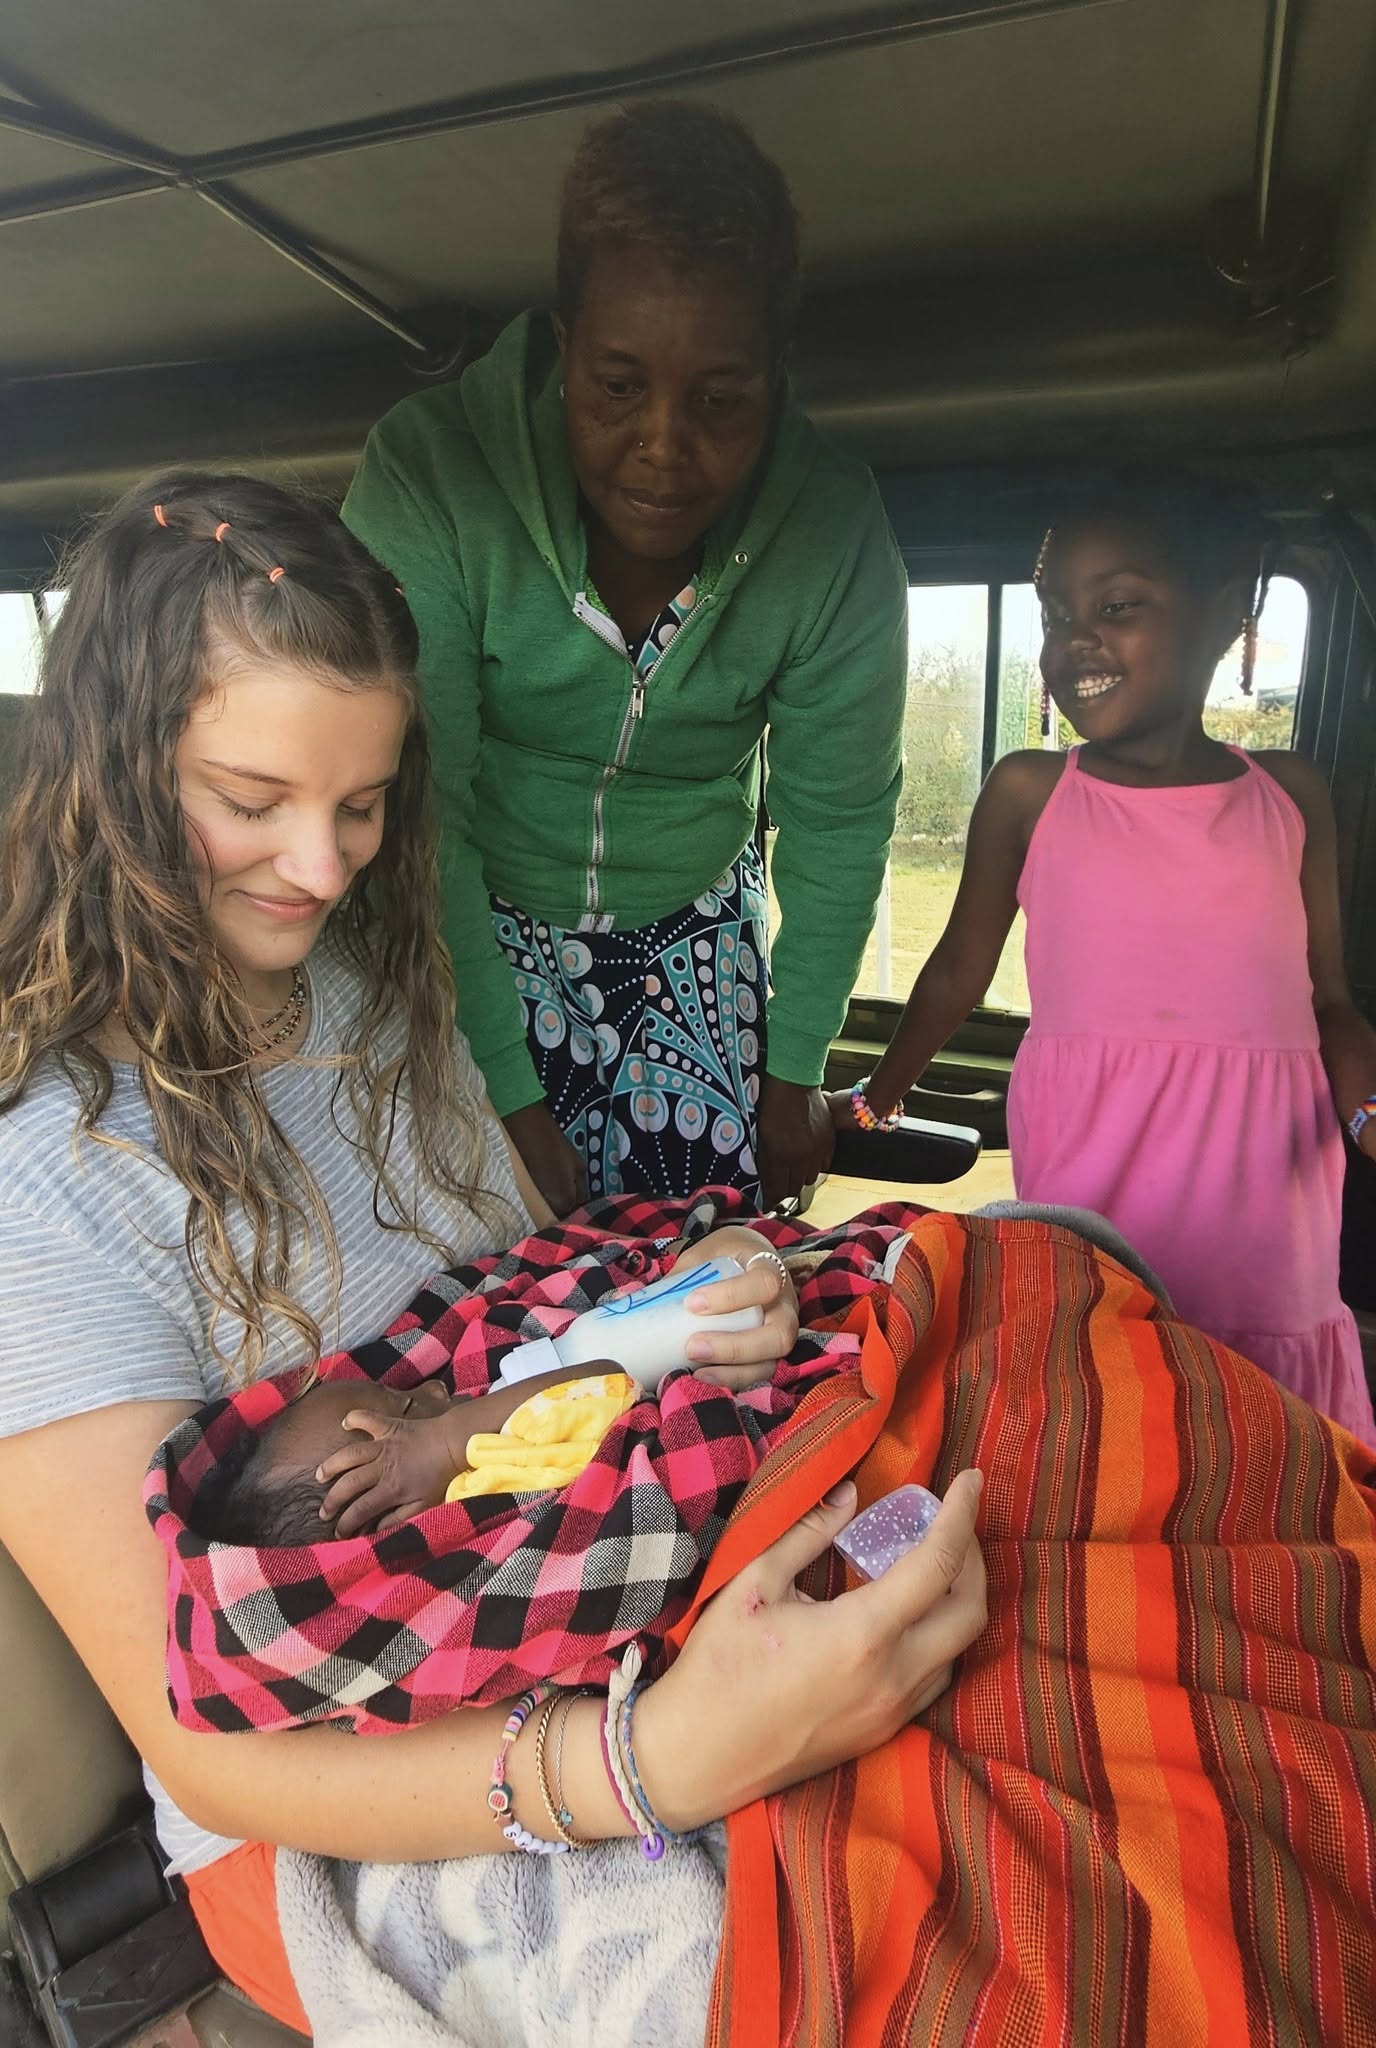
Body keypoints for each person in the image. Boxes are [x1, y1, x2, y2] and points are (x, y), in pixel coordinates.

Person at [0, 471, 983, 2037]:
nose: (320, 869)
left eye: (364, 804)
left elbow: (538, 1322)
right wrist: (654, 1761)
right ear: (113, 771)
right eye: (249, 801)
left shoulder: (379, 1006)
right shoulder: (46, 1184)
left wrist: (680, 1288)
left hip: (588, 1576)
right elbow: (203, 1744)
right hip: (336, 1803)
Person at [342, 100, 908, 1216]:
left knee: (700, 1287)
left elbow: (837, 820)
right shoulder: (432, 478)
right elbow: (421, 807)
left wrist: (791, 1066)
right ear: (561, 345)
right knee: (481, 1277)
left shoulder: (833, 532)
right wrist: (504, 1090)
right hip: (467, 922)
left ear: (775, 374)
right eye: (616, 385)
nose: (662, 445)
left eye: (718, 399)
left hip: (692, 922)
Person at [832, 479, 1376, 1445]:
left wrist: (1367, 1109)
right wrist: (874, 1103)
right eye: (1056, 615)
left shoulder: (1291, 794)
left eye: (1116, 607)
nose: (1074, 639)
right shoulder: (1032, 792)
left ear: (1224, 610)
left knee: (1267, 1448)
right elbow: (959, 970)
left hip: (1265, 1198)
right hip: (1097, 1165)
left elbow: (1328, 1000)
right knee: (1103, 1406)